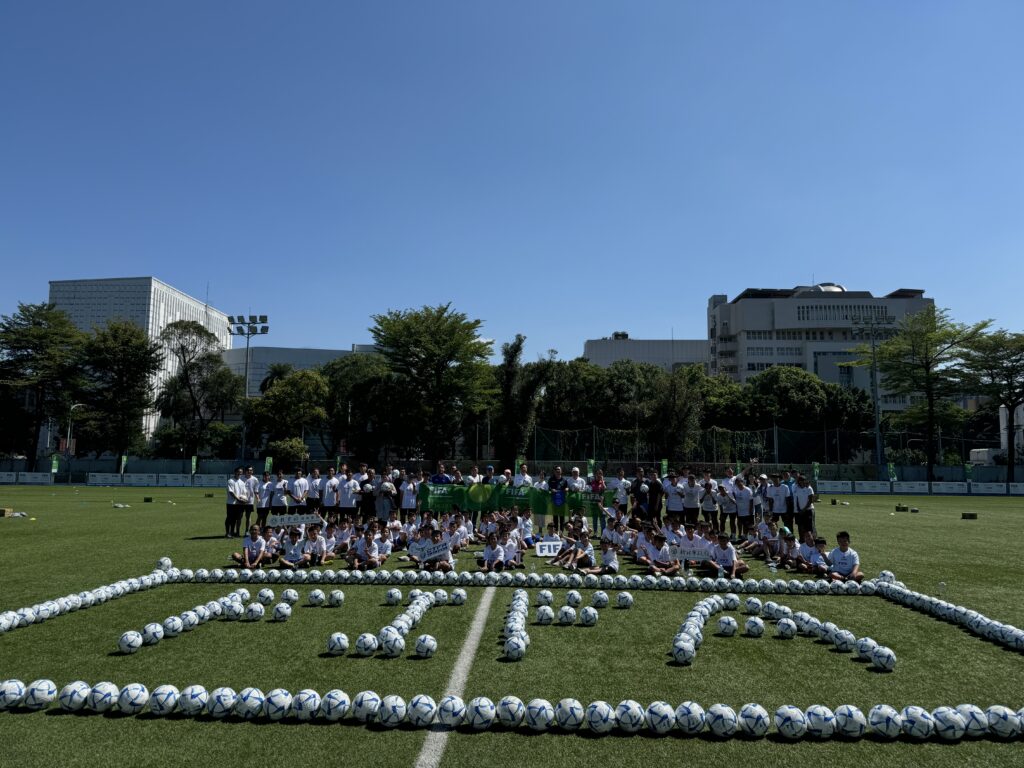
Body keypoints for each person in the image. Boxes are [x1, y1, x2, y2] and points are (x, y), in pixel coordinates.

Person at [225, 468, 248, 539]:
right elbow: (231, 492)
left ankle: (232, 532)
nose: (239, 474)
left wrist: (245, 499)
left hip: (239, 504)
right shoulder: (230, 481)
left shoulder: (242, 482)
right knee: (229, 518)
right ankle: (227, 533)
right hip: (231, 503)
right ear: (235, 472)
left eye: (241, 472)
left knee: (235, 519)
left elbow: (244, 493)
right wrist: (238, 499)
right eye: (238, 472)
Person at [547, 466, 570, 532]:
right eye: (556, 470)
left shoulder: (564, 480)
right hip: (554, 501)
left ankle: (561, 532)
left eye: (559, 470)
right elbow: (548, 488)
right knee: (555, 517)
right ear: (554, 471)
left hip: (562, 501)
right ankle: (556, 531)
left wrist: (567, 489)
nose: (558, 471)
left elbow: (567, 488)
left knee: (562, 517)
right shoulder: (551, 479)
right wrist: (551, 490)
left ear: (561, 471)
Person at [242, 466, 260, 534]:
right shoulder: (241, 478)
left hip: (250, 501)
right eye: (248, 470)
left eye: (251, 470)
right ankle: (237, 531)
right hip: (241, 501)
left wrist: (257, 498)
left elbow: (256, 490)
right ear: (245, 471)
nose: (250, 471)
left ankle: (247, 531)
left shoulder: (255, 479)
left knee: (248, 516)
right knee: (239, 516)